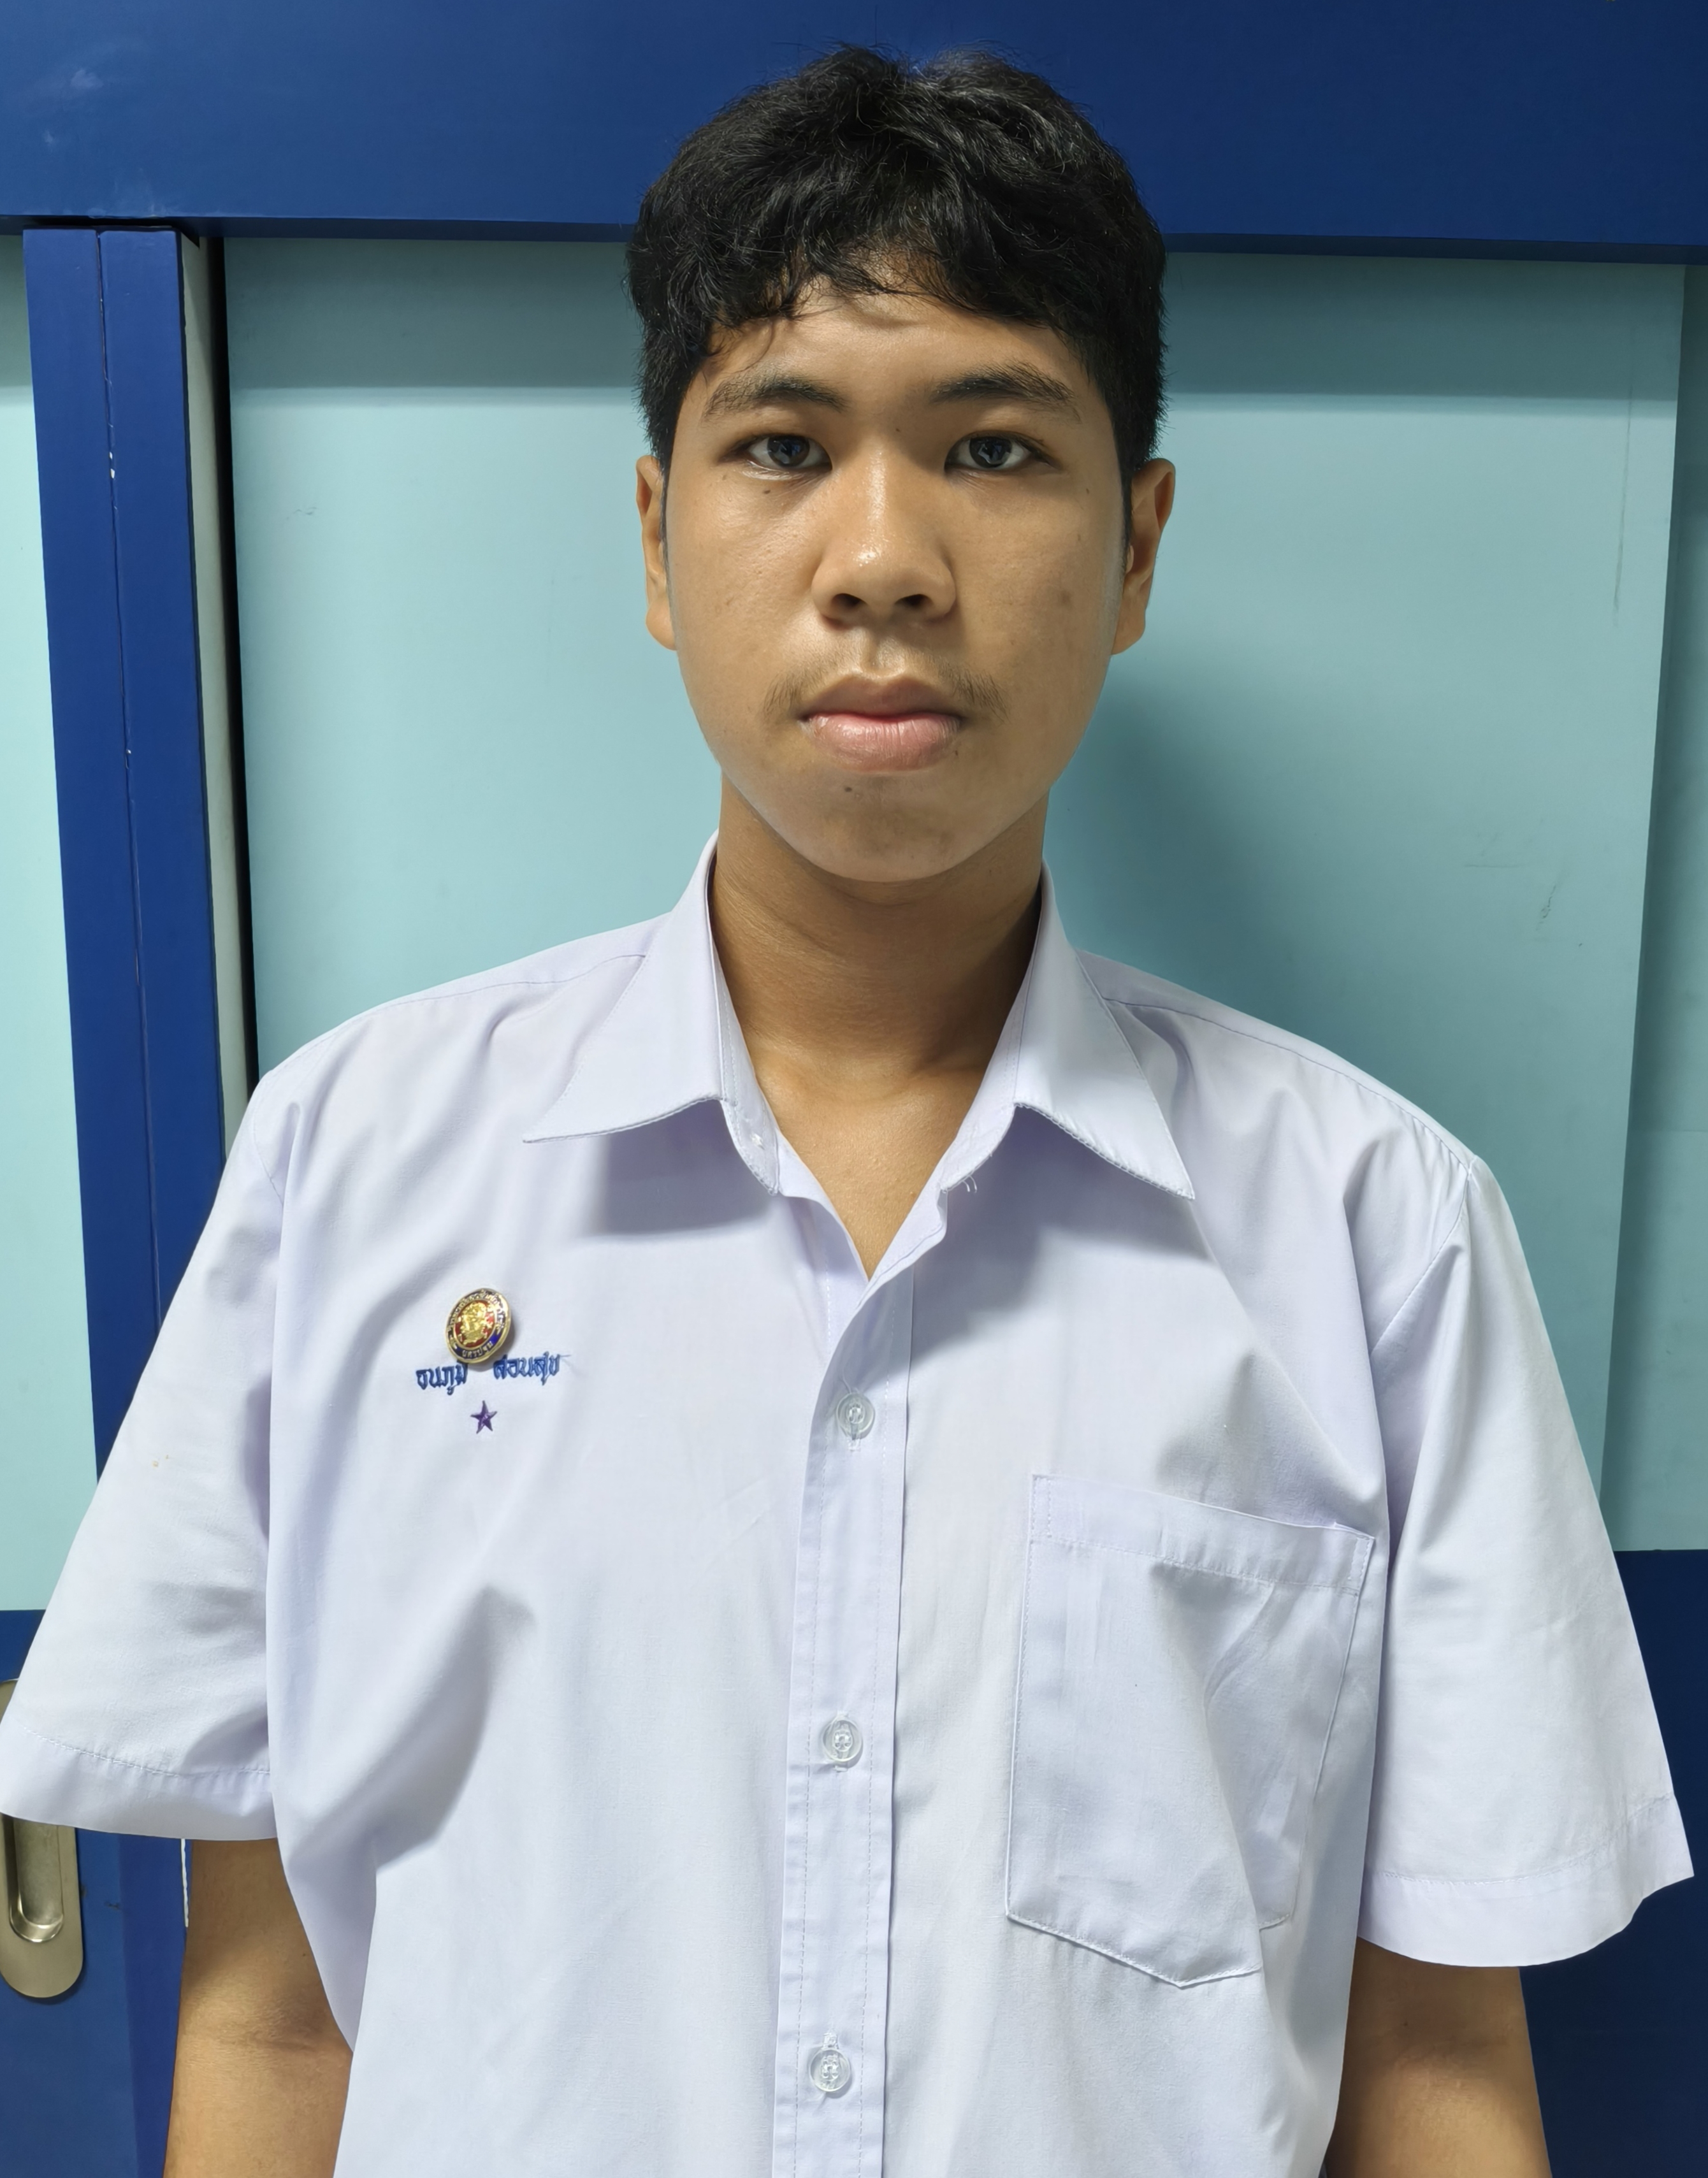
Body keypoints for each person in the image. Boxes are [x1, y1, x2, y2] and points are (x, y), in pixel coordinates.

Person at [0, 44, 1688, 2178]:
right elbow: (271, 2014)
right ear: (657, 535)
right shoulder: (356, 1171)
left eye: (995, 445)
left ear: (1137, 546)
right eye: (784, 445)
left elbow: (1435, 2065)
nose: (883, 558)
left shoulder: (1377, 1234)